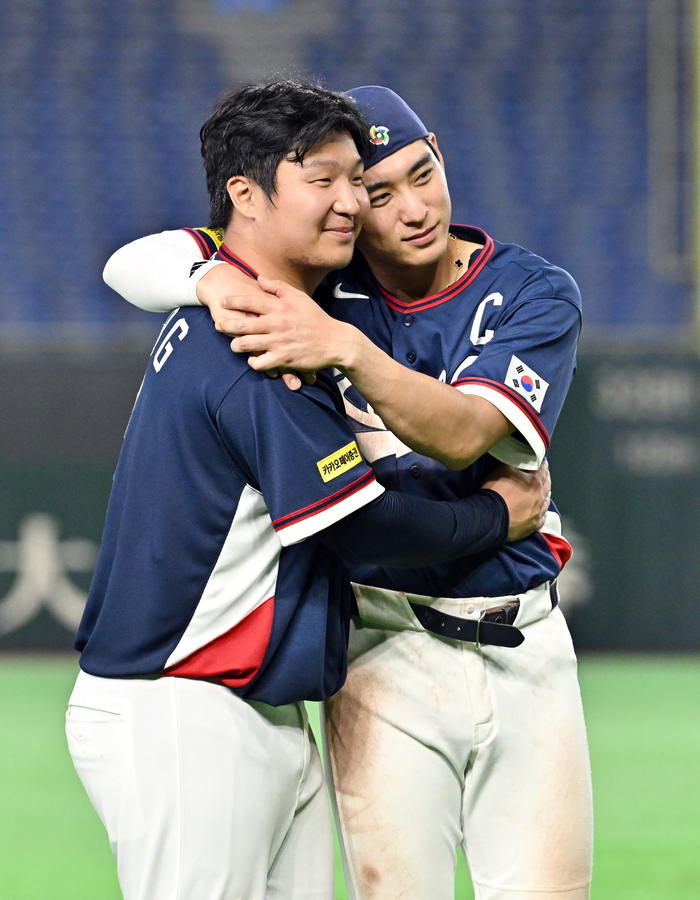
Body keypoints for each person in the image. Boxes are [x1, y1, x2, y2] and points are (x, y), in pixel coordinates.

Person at [104, 86, 592, 900]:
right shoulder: (321, 272)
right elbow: (128, 263)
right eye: (376, 190)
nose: (412, 209)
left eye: (422, 175)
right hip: (382, 643)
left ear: (441, 154)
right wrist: (208, 279)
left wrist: (346, 350)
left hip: (525, 642)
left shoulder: (531, 290)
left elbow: (468, 433)